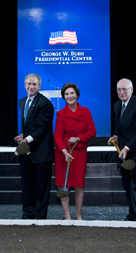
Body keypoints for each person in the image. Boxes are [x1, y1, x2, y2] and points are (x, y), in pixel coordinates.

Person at [108, 78, 136, 221]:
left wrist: (127, 147)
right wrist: (114, 136)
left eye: (124, 89)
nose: (122, 92)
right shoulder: (116, 106)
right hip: (124, 156)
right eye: (119, 90)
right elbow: (119, 128)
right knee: (128, 187)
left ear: (131, 90)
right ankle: (132, 214)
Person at [54, 83, 96, 220]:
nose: (69, 96)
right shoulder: (60, 114)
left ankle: (78, 216)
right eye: (66, 94)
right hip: (63, 153)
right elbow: (58, 136)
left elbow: (92, 131)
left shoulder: (86, 112)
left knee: (79, 185)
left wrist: (79, 138)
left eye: (72, 93)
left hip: (79, 152)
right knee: (63, 185)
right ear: (63, 97)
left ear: (77, 95)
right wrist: (64, 151)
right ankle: (67, 216)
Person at [15, 73, 55, 219]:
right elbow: (29, 126)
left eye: (34, 84)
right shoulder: (22, 101)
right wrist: (22, 135)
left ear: (39, 86)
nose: (31, 87)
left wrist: (27, 139)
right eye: (29, 84)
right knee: (27, 185)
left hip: (41, 152)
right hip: (27, 153)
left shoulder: (45, 103)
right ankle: (27, 213)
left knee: (41, 187)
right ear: (25, 85)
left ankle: (39, 216)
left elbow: (42, 128)